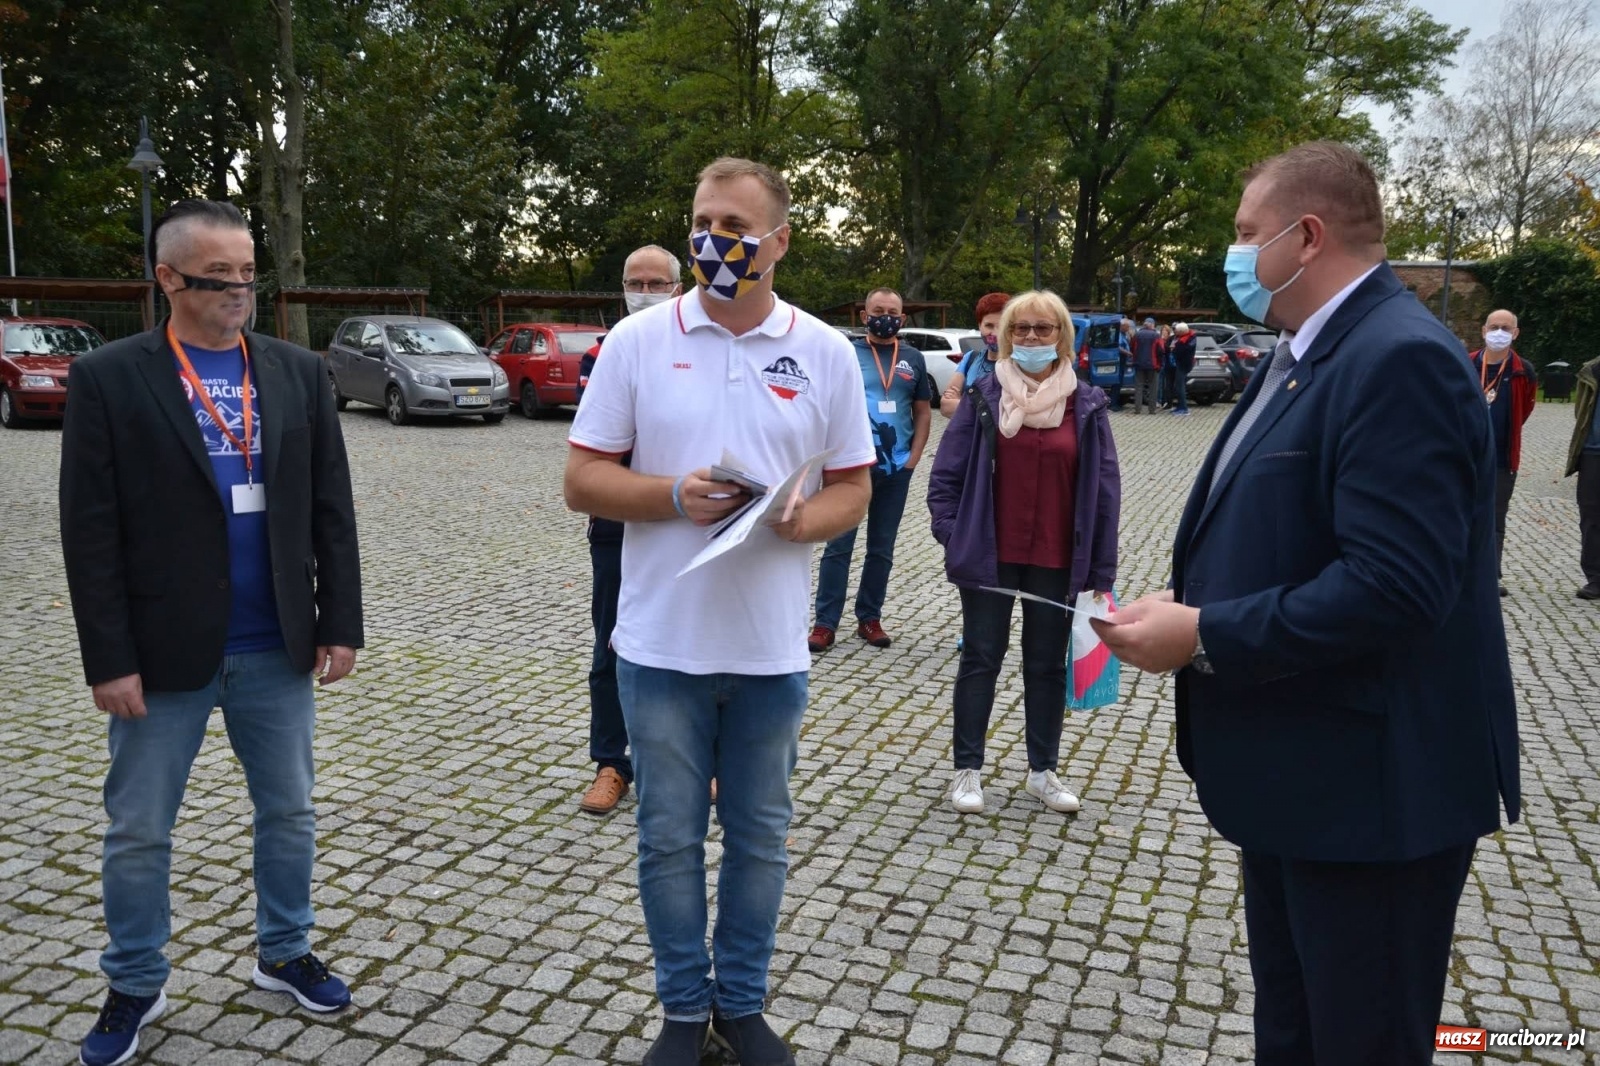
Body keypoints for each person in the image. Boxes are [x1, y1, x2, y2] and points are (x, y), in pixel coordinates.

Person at [1091, 141, 1519, 1066]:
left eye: (1248, 234)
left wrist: (1203, 632)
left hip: (1373, 794)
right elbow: (1299, 531)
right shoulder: (1307, 352)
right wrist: (1192, 596)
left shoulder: (1398, 357)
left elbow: (1396, 584)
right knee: (1295, 1033)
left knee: (1358, 1041)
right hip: (1306, 777)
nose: (1235, 252)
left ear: (1307, 235)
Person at [564, 157, 874, 1066]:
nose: (714, 241)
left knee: (760, 841)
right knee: (666, 840)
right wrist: (669, 496)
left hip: (771, 651)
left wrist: (802, 517)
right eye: (703, 221)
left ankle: (739, 1008)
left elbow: (854, 486)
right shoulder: (639, 341)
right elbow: (581, 479)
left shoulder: (821, 350)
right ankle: (677, 1011)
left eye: (735, 225)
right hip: (659, 646)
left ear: (779, 240)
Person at [59, 199, 364, 1066]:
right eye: (216, 279)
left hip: (276, 644)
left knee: (290, 811)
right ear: (167, 280)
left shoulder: (298, 374)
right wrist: (108, 658)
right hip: (162, 656)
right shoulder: (112, 378)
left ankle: (285, 950)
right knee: (139, 828)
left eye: (246, 276)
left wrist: (339, 620)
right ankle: (133, 980)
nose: (238, 293)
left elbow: (329, 509)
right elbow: (90, 531)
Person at [927, 290, 1120, 816]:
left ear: (1062, 336)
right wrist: (955, 534)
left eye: (1043, 329)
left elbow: (1105, 491)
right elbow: (944, 478)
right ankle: (967, 770)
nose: (1032, 338)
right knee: (981, 658)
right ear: (1006, 336)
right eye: (1022, 329)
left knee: (1044, 665)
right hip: (991, 555)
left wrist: (1102, 567)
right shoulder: (984, 396)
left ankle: (1043, 770)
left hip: (1057, 556)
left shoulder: (1087, 404)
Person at [574, 245, 683, 816]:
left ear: (676, 286)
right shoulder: (604, 352)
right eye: (635, 281)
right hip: (617, 522)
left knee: (693, 638)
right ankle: (613, 762)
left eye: (655, 281)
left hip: (690, 521)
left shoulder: (698, 347)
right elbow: (600, 444)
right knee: (611, 641)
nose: (644, 290)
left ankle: (697, 761)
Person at [810, 287, 934, 652]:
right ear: (864, 316)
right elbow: (824, 404)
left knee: (882, 548)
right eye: (878, 310)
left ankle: (869, 617)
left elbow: (923, 411)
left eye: (893, 311)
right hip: (850, 468)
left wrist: (913, 458)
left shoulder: (913, 357)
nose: (886, 316)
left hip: (896, 468)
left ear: (902, 317)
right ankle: (824, 623)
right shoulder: (845, 353)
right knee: (838, 545)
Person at [1468, 309, 1537, 596]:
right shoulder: (1465, 363)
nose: (1499, 332)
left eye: (1505, 328)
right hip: (1463, 456)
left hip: (1501, 457)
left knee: (1495, 519)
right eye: (1494, 327)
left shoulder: (1523, 371)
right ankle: (1456, 571)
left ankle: (1488, 576)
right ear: (1483, 331)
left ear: (1515, 333)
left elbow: (1525, 409)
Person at [938, 291, 1009, 417]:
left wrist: (962, 404)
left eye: (1002, 326)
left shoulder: (1020, 364)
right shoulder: (971, 358)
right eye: (989, 326)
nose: (996, 333)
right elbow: (946, 406)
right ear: (979, 326)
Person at [1566, 353, 1600, 600]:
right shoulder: (1591, 370)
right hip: (1592, 452)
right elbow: (1582, 412)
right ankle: (1595, 577)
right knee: (1590, 517)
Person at [1130, 317, 1163, 414]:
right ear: (1152, 325)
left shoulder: (1137, 335)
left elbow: (1132, 348)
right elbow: (1161, 350)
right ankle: (1152, 410)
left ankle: (1137, 409)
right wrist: (1160, 364)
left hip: (1139, 364)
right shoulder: (1156, 336)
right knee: (1153, 387)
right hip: (1153, 365)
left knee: (1138, 387)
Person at [1167, 322, 1196, 415]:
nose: (1175, 333)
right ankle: (1180, 406)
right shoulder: (1192, 337)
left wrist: (1173, 349)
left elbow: (1177, 352)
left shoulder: (1183, 341)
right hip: (1186, 364)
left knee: (1180, 386)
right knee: (1179, 385)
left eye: (1177, 331)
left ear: (1181, 332)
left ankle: (1184, 408)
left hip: (1183, 365)